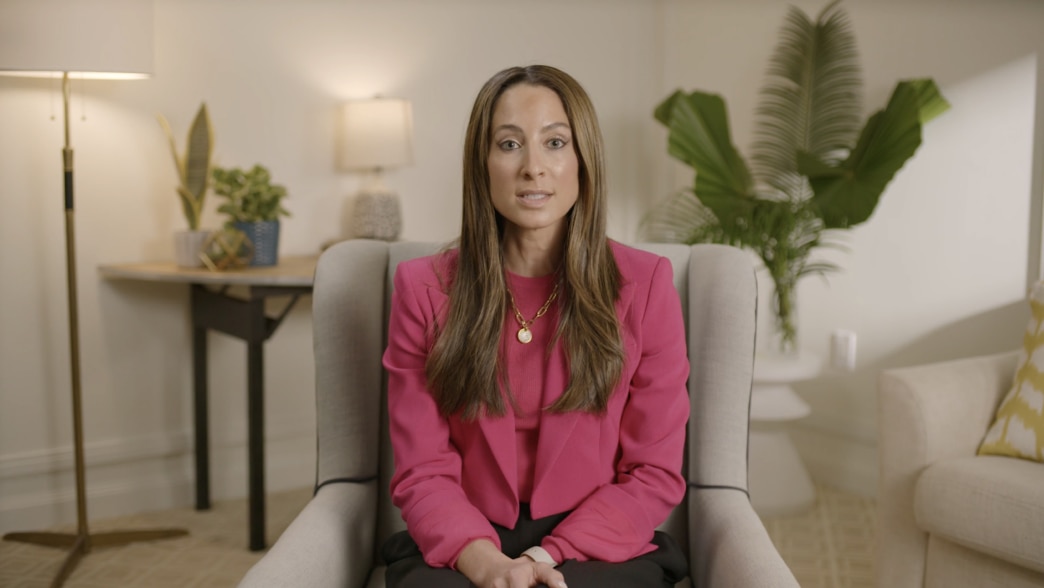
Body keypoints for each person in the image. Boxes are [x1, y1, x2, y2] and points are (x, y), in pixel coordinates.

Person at [381, 64, 690, 588]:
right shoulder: (423, 290)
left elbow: (652, 472)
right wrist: (489, 566)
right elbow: (423, 469)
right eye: (508, 144)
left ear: (582, 161)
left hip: (596, 542)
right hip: (468, 538)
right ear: (482, 164)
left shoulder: (647, 285)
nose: (533, 167)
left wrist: (544, 559)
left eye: (554, 142)